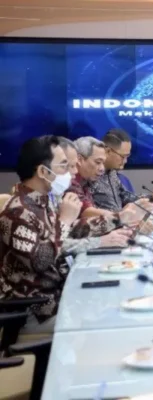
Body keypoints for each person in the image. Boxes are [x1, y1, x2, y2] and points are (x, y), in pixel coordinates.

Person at [0, 136, 124, 332]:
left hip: (61, 297)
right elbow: (41, 260)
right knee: (109, 322)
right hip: (37, 311)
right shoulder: (17, 211)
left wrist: (119, 219)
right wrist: (64, 220)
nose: (72, 173)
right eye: (64, 166)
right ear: (43, 171)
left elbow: (73, 231)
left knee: (117, 301)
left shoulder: (43, 201)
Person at [91, 128, 153, 212]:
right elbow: (86, 211)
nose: (125, 161)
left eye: (127, 157)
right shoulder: (91, 175)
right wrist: (118, 215)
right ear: (108, 151)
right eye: (123, 156)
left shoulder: (112, 173)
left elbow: (126, 196)